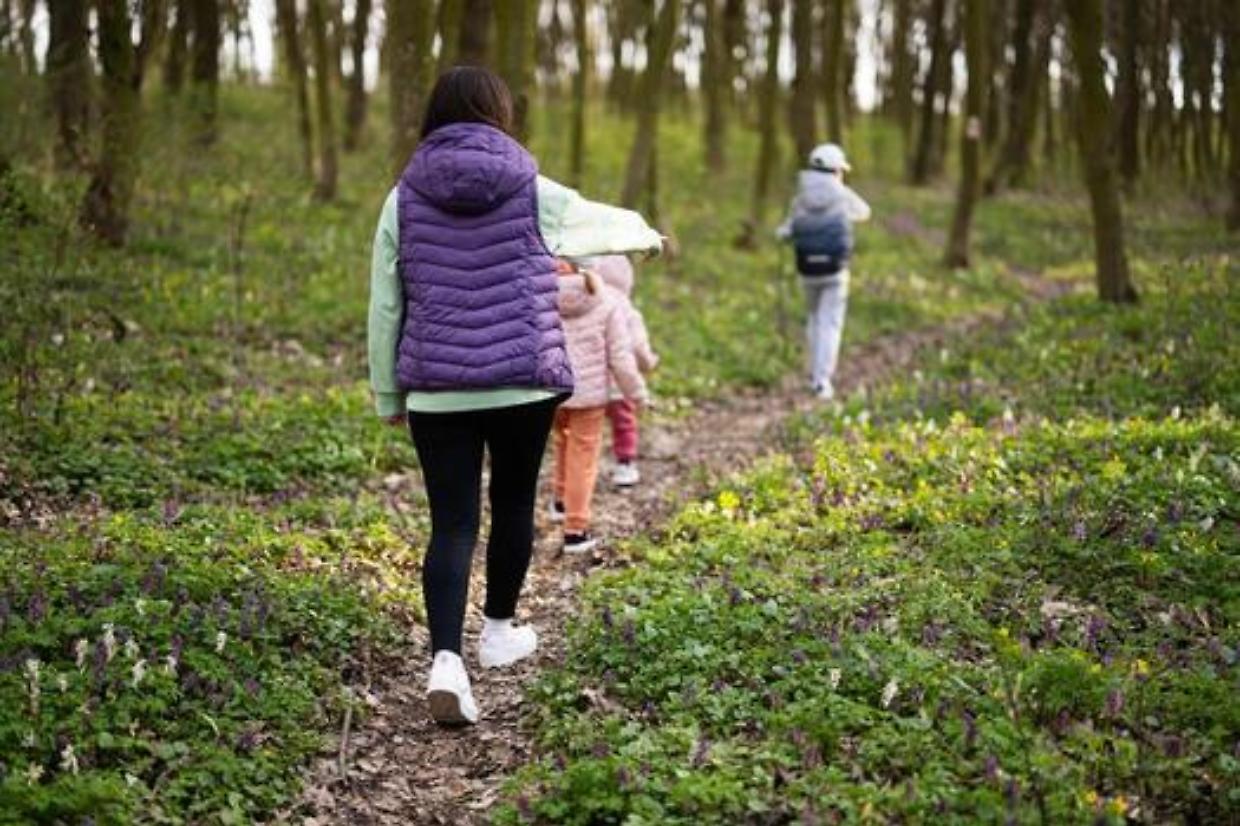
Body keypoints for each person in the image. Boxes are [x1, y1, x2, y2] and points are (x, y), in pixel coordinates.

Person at [367, 67, 661, 726]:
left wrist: (389, 389)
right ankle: (498, 630)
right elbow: (590, 224)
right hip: (522, 379)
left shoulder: (402, 197)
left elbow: (386, 303)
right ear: (499, 113)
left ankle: (446, 659)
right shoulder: (529, 186)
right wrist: (647, 235)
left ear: (433, 117)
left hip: (438, 388)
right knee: (512, 503)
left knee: (451, 523)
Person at [549, 260, 648, 553]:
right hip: (590, 396)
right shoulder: (605, 302)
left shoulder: (539, 298)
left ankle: (559, 500)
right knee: (583, 456)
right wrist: (638, 393)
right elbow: (621, 357)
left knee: (561, 442)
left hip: (551, 390)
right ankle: (575, 530)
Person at [776, 143, 872, 401]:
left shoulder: (800, 197)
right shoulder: (843, 194)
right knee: (830, 322)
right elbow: (864, 212)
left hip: (807, 269)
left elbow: (786, 230)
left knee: (814, 318)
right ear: (836, 170)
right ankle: (822, 381)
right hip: (835, 269)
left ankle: (813, 374)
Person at [590, 255, 658, 488]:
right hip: (621, 382)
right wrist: (649, 362)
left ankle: (589, 465)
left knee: (590, 427)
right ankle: (625, 464)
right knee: (624, 423)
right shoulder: (628, 310)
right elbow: (638, 345)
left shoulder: (591, 303)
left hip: (593, 382)